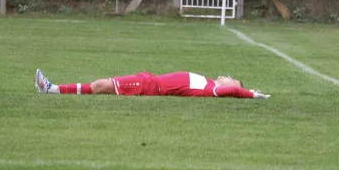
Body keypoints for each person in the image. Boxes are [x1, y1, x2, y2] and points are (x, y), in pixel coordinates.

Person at [35, 69, 271, 99]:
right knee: (101, 85)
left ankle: (51, 89)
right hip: (149, 79)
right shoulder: (209, 81)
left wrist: (249, 93)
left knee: (99, 85)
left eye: (232, 77)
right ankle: (52, 88)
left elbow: (230, 90)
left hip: (148, 86)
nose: (228, 76)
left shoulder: (213, 89)